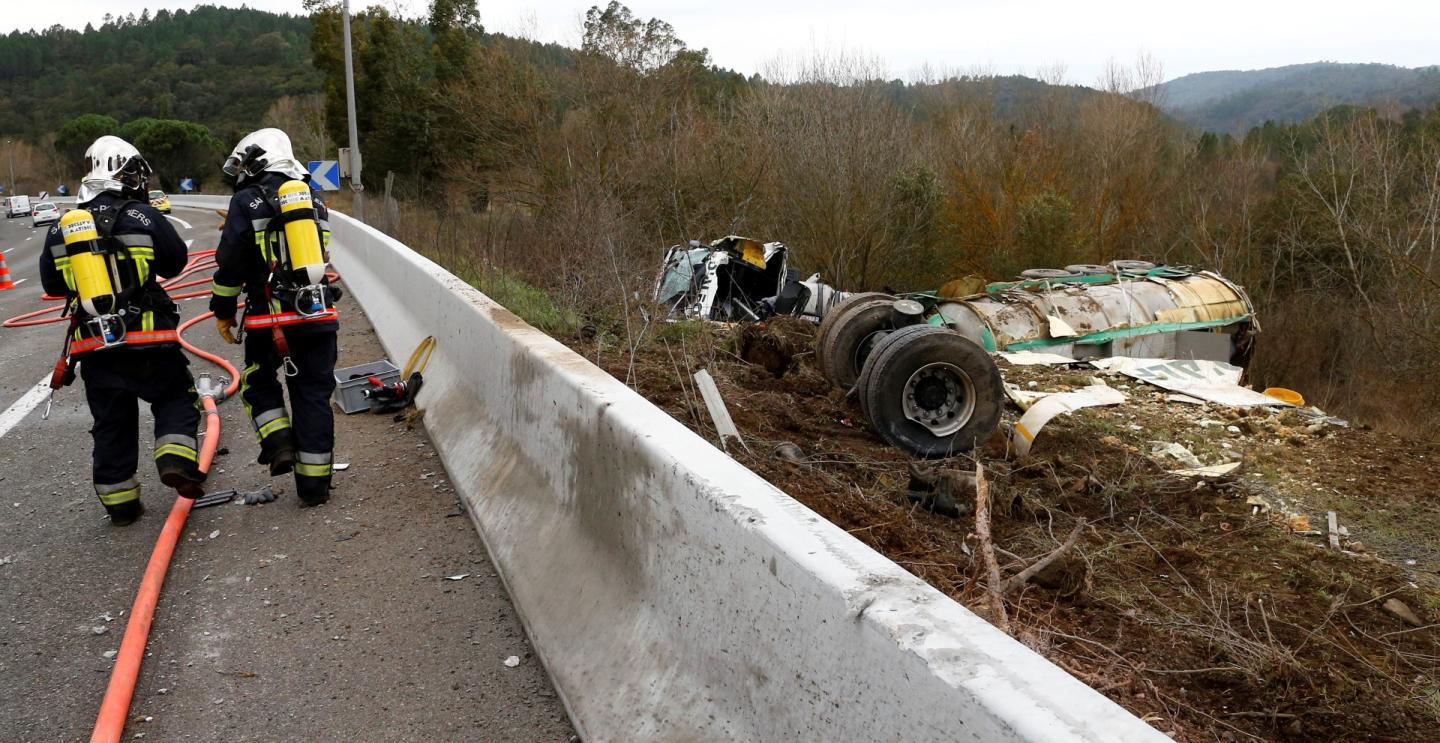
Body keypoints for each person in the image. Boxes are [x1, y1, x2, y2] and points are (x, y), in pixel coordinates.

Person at [39, 136, 205, 525]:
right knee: (175, 398)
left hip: (95, 345)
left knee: (111, 422)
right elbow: (176, 262)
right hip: (151, 340)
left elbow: (51, 286)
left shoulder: (63, 225)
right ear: (127, 173)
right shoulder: (141, 215)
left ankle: (121, 505)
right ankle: (175, 459)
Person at [210, 128, 339, 506]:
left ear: (256, 161)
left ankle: (279, 442)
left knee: (258, 383)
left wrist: (223, 310)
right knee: (313, 393)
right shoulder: (313, 197)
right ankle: (314, 487)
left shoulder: (246, 200)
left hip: (269, 319)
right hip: (317, 312)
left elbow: (230, 265)